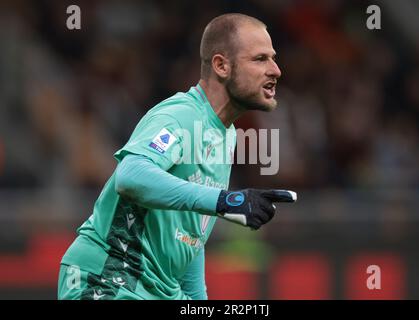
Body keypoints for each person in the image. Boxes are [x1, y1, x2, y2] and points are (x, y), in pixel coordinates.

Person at [58, 13, 296, 300]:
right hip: (110, 281)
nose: (276, 70)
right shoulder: (181, 115)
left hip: (160, 291)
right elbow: (130, 175)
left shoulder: (226, 133)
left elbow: (190, 233)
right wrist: (226, 201)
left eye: (273, 58)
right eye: (260, 59)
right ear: (221, 65)